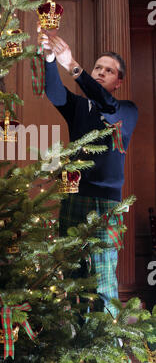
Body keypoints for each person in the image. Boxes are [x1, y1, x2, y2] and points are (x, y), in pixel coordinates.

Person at [38, 25, 138, 317]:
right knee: (72, 274)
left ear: (118, 82)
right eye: (98, 68)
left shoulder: (125, 110)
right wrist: (49, 60)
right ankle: (77, 345)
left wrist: (73, 65)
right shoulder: (81, 107)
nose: (101, 72)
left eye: (109, 70)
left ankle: (110, 346)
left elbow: (106, 104)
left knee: (103, 280)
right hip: (73, 197)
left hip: (105, 204)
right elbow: (56, 95)